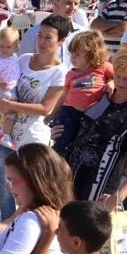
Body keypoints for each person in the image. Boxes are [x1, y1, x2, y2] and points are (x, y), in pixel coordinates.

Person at [0, 14, 70, 219]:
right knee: (5, 188)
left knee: (32, 188)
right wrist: (0, 93)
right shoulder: (23, 59)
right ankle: (5, 229)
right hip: (6, 134)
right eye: (40, 36)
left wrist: (11, 105)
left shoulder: (60, 73)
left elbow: (45, 108)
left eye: (48, 38)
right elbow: (6, 83)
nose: (41, 42)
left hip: (32, 140)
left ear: (60, 41)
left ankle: (28, 227)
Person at [59, 46, 127, 209]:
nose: (120, 82)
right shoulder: (107, 92)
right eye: (118, 75)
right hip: (69, 179)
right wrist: (62, 131)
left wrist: (119, 196)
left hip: (98, 192)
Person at [50, 31, 111, 159]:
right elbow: (63, 96)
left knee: (84, 145)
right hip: (69, 112)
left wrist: (112, 83)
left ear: (92, 54)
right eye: (71, 54)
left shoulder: (103, 67)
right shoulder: (70, 74)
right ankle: (56, 160)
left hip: (92, 115)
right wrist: (53, 114)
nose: (72, 58)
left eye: (77, 54)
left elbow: (117, 76)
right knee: (62, 141)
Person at [19, 0, 84, 65]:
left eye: (76, 4)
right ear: (55, 3)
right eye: (68, 3)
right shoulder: (33, 34)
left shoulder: (82, 34)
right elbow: (22, 65)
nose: (72, 8)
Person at [0, 27, 22, 149]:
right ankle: (6, 135)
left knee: (3, 111)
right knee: (11, 113)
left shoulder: (14, 57)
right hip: (4, 90)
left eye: (8, 47)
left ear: (15, 46)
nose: (4, 50)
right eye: (1, 46)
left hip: (10, 88)